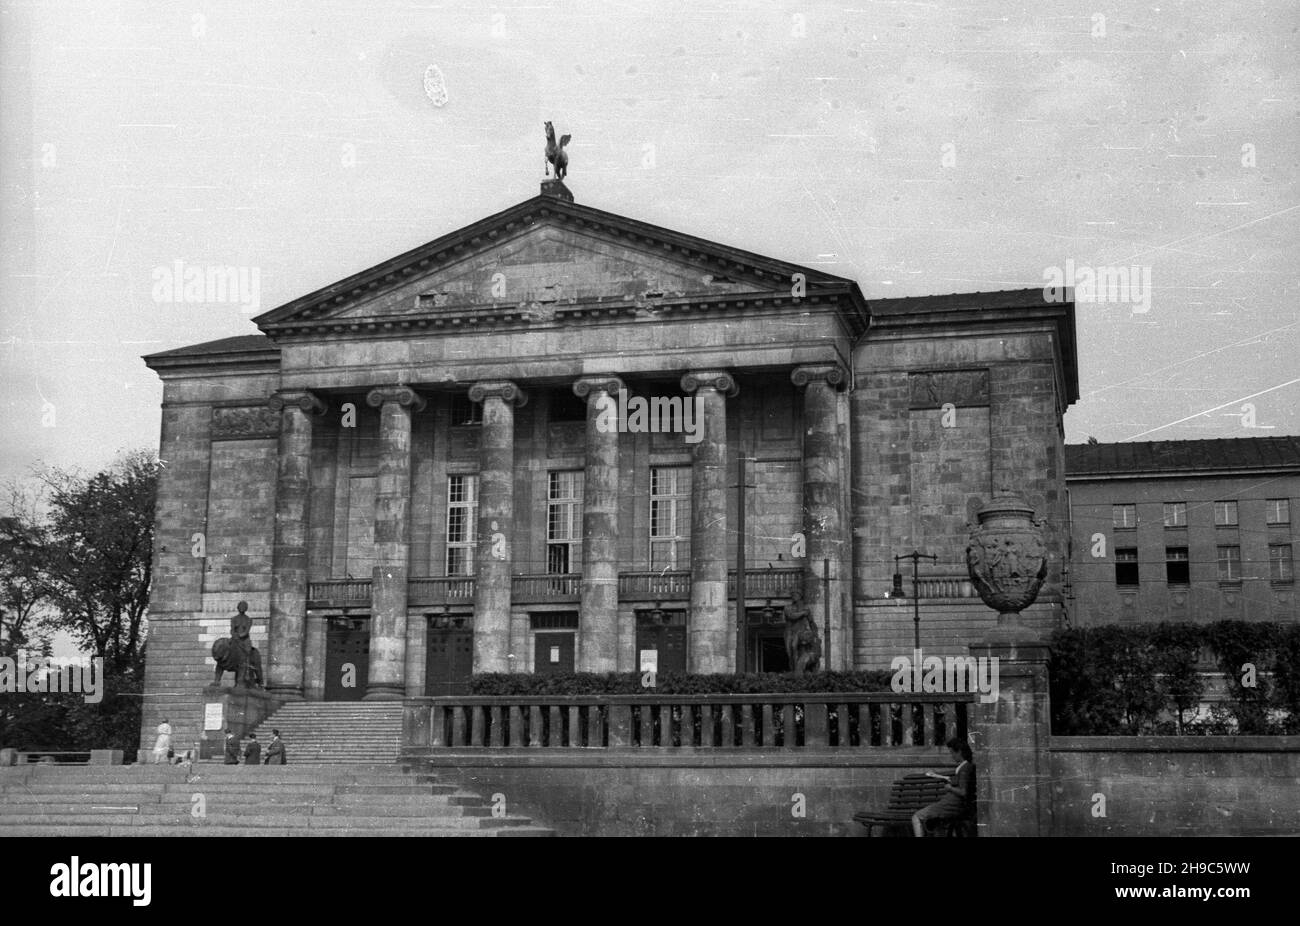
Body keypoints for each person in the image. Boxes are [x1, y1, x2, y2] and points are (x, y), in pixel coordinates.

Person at [912, 737, 976, 837]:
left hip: (953, 804)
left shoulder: (964, 768)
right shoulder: (965, 767)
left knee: (916, 817)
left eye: (952, 753)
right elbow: (958, 782)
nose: (952, 756)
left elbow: (963, 792)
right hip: (952, 804)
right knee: (937, 823)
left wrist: (949, 788)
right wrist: (939, 776)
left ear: (959, 752)